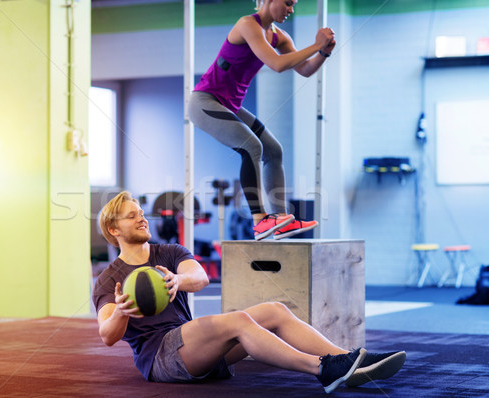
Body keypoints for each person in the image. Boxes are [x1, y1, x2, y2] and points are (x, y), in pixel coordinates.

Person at [92, 191, 406, 394]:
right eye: (131, 215)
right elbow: (107, 335)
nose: (142, 217)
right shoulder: (110, 280)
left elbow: (198, 276)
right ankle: (323, 368)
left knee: (275, 310)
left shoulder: (170, 252)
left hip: (196, 349)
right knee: (240, 320)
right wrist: (121, 310)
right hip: (161, 358)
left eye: (140, 211)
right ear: (114, 230)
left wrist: (177, 279)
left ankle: (350, 361)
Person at [188, 0, 331, 240]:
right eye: (287, 3)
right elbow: (276, 64)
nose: (291, 10)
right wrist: (316, 45)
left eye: (293, 5)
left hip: (230, 106)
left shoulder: (280, 37)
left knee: (274, 150)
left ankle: (281, 220)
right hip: (204, 102)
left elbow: (304, 69)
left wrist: (324, 53)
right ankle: (259, 219)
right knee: (251, 145)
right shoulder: (247, 25)